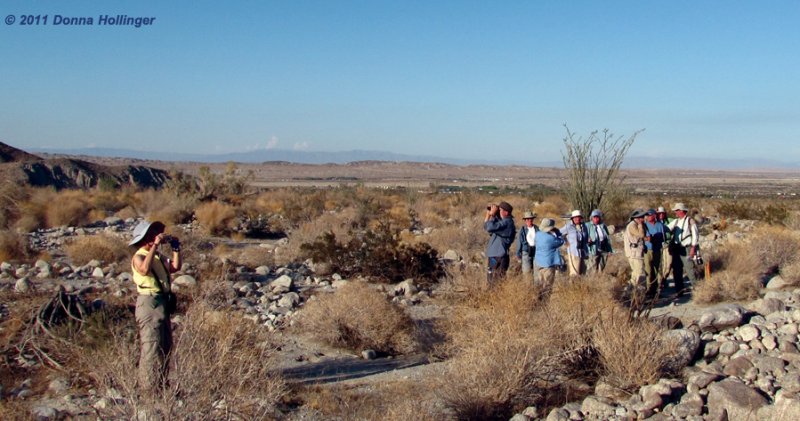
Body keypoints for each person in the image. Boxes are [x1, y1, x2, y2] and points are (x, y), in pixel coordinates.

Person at [129, 220, 182, 393]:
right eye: (152, 234)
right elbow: (144, 269)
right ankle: (148, 389)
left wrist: (176, 249)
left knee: (165, 345)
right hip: (148, 302)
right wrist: (155, 247)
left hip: (162, 302)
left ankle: (161, 385)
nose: (156, 236)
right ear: (144, 238)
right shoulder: (139, 256)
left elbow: (175, 267)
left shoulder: (157, 256)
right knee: (151, 346)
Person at [667, 203, 699, 296]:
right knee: (677, 270)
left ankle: (697, 289)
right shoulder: (676, 221)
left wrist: (693, 248)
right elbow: (667, 228)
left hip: (687, 248)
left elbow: (695, 235)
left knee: (690, 269)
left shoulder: (690, 221)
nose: (675, 212)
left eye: (677, 210)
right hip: (676, 249)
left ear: (681, 211)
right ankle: (679, 291)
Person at [484, 201, 516, 283]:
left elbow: (490, 227)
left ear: (506, 212)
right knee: (490, 280)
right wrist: (488, 215)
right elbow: (487, 227)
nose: (498, 211)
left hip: (500, 257)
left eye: (500, 210)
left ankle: (497, 295)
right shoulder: (502, 222)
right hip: (495, 255)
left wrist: (493, 215)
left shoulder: (507, 223)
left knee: (497, 281)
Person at [534, 218, 565, 299]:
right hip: (549, 264)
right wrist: (557, 233)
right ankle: (545, 303)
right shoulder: (550, 238)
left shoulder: (537, 235)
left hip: (538, 263)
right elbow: (561, 241)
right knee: (548, 286)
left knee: (540, 285)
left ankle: (538, 302)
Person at [644, 209, 668, 297]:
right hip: (648, 250)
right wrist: (648, 239)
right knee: (648, 270)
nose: (648, 217)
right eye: (647, 215)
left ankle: (657, 289)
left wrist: (656, 238)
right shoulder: (644, 225)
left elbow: (663, 237)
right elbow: (643, 237)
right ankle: (649, 289)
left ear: (654, 215)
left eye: (650, 215)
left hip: (657, 249)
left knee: (657, 269)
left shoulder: (660, 225)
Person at [561, 210, 589, 276]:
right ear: (572, 218)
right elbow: (558, 234)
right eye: (575, 217)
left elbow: (585, 237)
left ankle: (580, 286)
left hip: (583, 252)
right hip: (573, 252)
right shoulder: (568, 226)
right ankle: (573, 286)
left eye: (579, 217)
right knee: (574, 274)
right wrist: (565, 242)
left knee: (582, 273)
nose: (577, 219)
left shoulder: (584, 226)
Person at [624, 209, 647, 288]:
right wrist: (640, 225)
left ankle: (629, 292)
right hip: (635, 253)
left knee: (635, 274)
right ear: (637, 217)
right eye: (642, 217)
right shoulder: (632, 225)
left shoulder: (634, 224)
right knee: (640, 273)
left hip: (636, 252)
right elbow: (641, 235)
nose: (644, 218)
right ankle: (639, 292)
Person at [516, 211, 538, 281]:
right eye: (527, 219)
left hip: (536, 251)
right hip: (526, 251)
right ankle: (528, 288)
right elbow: (519, 242)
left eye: (531, 219)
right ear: (525, 220)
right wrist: (518, 253)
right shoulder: (522, 230)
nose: (529, 220)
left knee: (536, 272)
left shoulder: (536, 228)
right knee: (526, 272)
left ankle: (537, 288)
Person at [656, 206, 673, 281]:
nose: (661, 215)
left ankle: (664, 277)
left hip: (668, 245)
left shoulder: (670, 220)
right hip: (658, 246)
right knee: (659, 265)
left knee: (668, 264)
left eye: (662, 213)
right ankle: (660, 282)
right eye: (659, 214)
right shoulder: (654, 222)